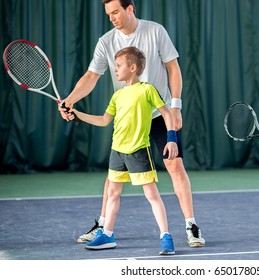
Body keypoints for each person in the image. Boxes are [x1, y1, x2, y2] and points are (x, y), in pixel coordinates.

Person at [59, 0, 205, 248]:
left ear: (130, 8)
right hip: (129, 119)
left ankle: (191, 225)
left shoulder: (155, 30)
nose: (112, 17)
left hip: (159, 114)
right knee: (112, 178)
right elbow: (92, 76)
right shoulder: (106, 41)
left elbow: (173, 68)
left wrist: (176, 106)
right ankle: (103, 225)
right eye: (108, 14)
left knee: (175, 165)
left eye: (115, 11)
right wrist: (70, 100)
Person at [71, 46, 177, 255]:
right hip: (117, 151)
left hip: (138, 150)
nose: (115, 69)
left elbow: (166, 113)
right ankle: (108, 234)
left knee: (152, 195)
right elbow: (103, 120)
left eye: (119, 65)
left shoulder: (147, 89)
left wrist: (171, 139)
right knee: (112, 193)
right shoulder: (117, 95)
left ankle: (166, 237)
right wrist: (76, 113)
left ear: (133, 67)